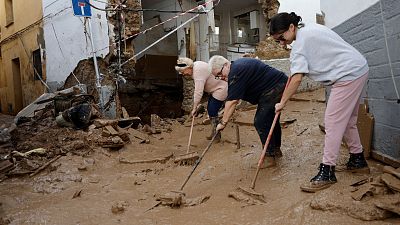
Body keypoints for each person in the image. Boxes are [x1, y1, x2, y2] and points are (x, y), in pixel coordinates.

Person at [269, 12, 370, 192]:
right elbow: (298, 72)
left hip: (347, 75)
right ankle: (358, 160)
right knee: (347, 121)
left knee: (332, 122)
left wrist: (282, 102)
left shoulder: (299, 45)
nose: (282, 43)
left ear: (291, 27)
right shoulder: (308, 29)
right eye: (278, 41)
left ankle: (327, 172)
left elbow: (297, 79)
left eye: (282, 38)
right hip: (358, 68)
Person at [210, 56, 288, 167]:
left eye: (219, 73)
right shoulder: (236, 69)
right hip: (277, 85)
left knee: (260, 121)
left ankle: (269, 157)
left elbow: (233, 101)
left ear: (226, 65)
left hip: (275, 87)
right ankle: (275, 150)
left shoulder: (236, 71)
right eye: (217, 76)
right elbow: (232, 96)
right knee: (269, 120)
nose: (220, 77)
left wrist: (223, 123)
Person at [175, 57, 228, 141]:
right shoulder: (196, 65)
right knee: (211, 110)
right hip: (215, 89)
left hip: (220, 88)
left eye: (183, 72)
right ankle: (215, 133)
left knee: (212, 111)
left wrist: (194, 107)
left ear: (187, 67)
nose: (183, 74)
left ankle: (216, 135)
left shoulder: (197, 71)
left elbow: (198, 91)